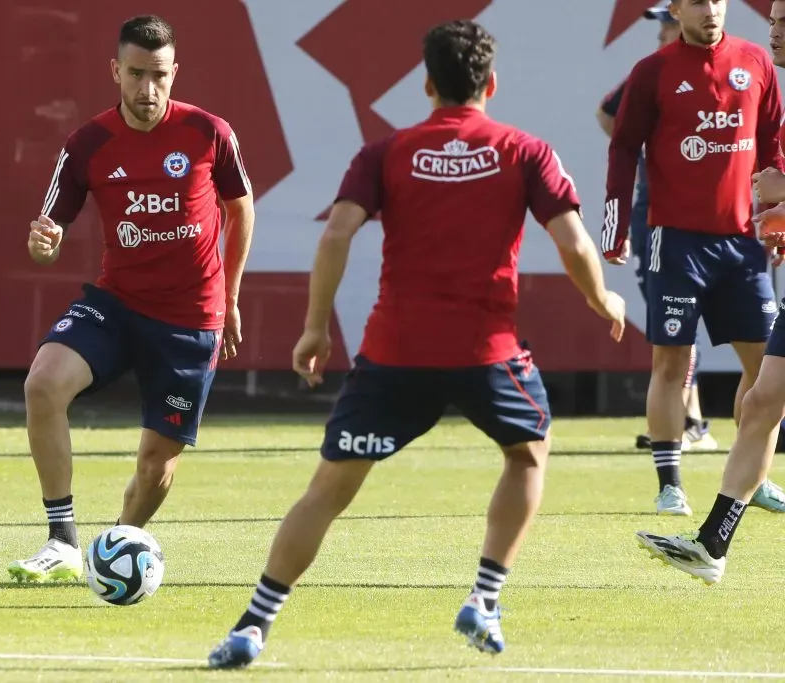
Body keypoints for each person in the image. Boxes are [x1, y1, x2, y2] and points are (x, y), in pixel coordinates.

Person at [206, 19, 626, 668]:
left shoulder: (385, 153)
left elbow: (335, 236)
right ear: (491, 83)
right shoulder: (525, 150)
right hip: (486, 353)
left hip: (394, 355)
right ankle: (484, 596)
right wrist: (604, 300)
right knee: (528, 453)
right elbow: (572, 242)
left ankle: (253, 624)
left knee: (327, 490)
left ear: (427, 84)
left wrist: (316, 327)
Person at [7, 14, 255, 583]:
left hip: (191, 320)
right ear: (116, 71)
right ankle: (63, 541)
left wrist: (232, 297)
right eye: (137, 75)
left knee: (155, 469)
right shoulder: (87, 144)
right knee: (43, 383)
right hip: (116, 305)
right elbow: (50, 230)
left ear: (175, 73)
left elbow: (241, 210)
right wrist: (42, 244)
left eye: (159, 76)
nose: (148, 90)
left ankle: (111, 552)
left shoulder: (209, 133)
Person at [603, 0, 785, 517]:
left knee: (766, 367)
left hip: (745, 245)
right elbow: (622, 148)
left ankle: (753, 475)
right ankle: (669, 484)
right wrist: (615, 227)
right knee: (672, 362)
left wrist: (776, 216)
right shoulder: (652, 72)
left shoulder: (756, 63)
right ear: (676, 10)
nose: (711, 10)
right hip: (676, 242)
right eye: (699, 2)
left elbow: (774, 145)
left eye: (718, 0)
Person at [597, 2, 718, 453]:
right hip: (656, 217)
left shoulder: (725, 68)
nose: (661, 34)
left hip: (706, 219)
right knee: (672, 321)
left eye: (666, 23)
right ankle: (692, 422)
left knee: (680, 324)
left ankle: (689, 422)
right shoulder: (653, 74)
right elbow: (607, 114)